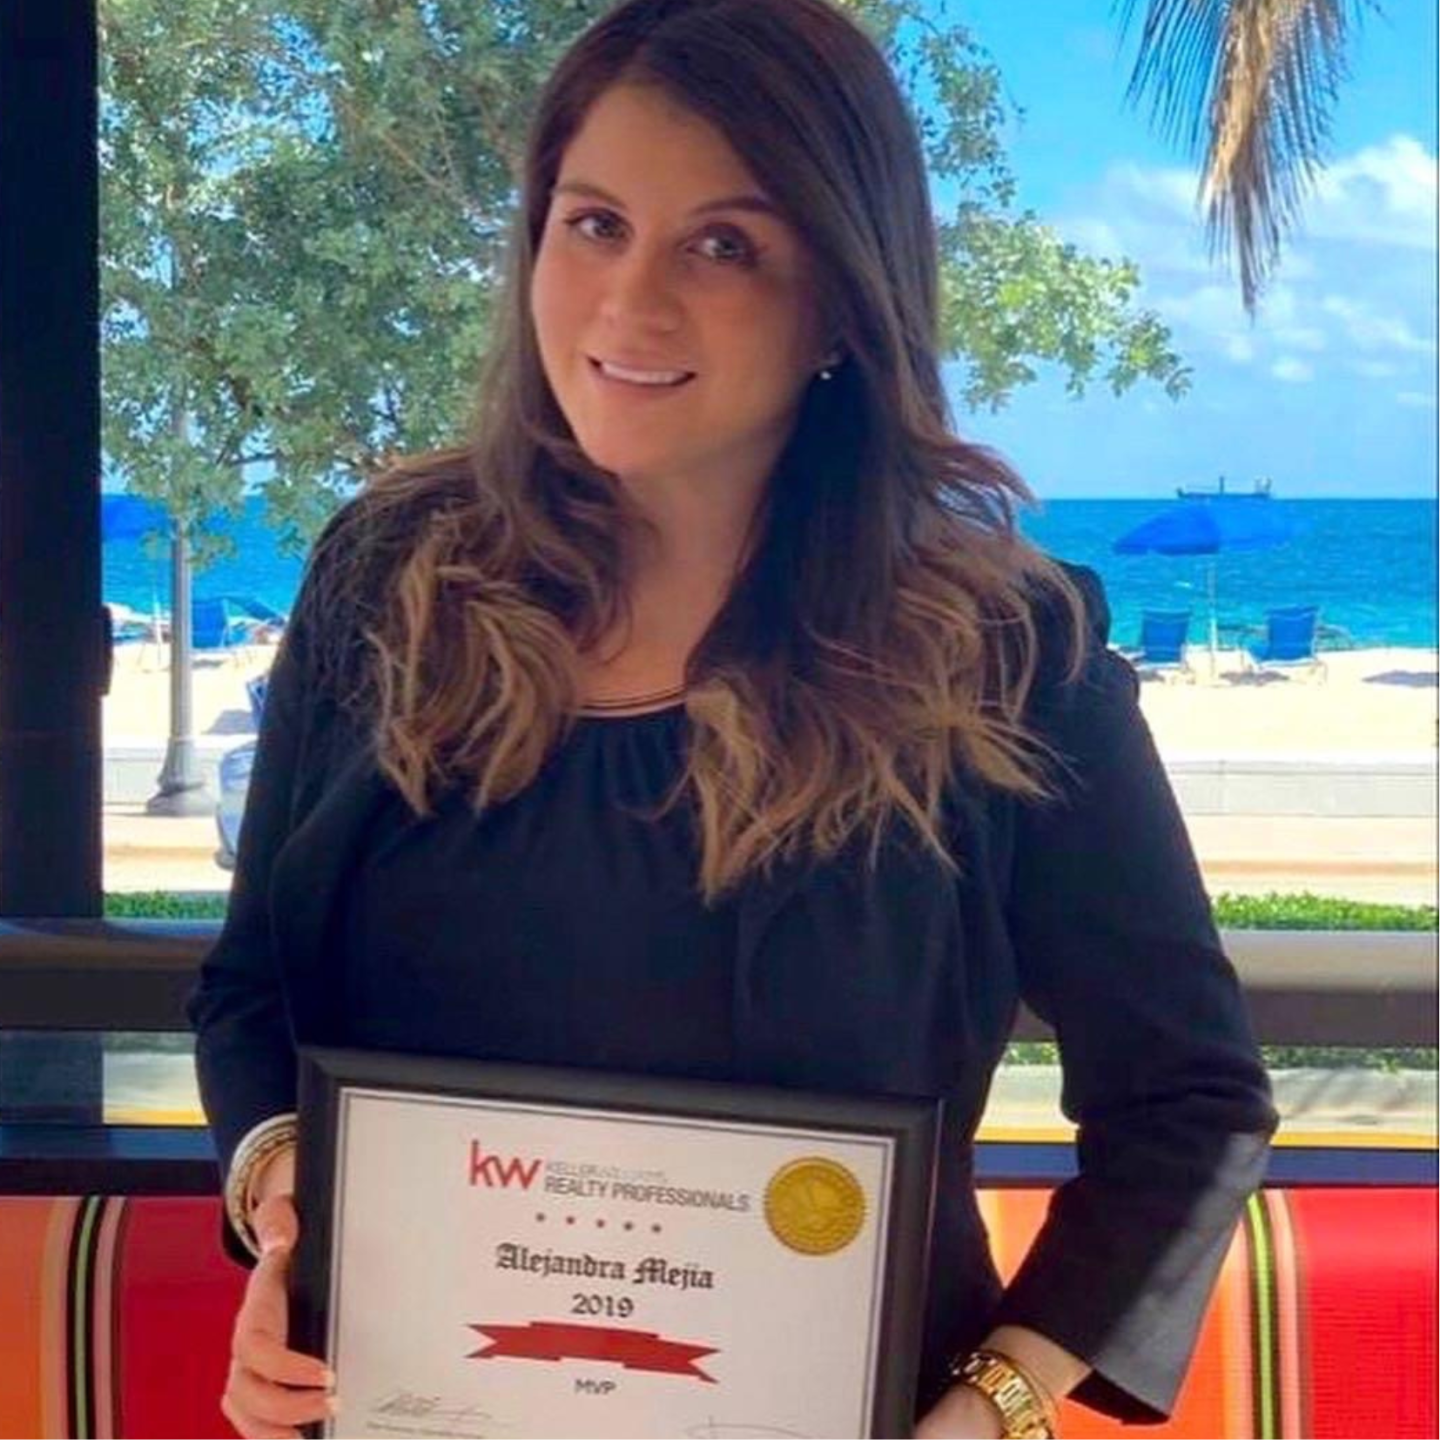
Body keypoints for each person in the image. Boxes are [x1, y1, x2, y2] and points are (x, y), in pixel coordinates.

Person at [187, 1, 1278, 1436]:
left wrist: (994, 1406)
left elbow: (1188, 1103)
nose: (629, 304)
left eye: (723, 246)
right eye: (594, 224)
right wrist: (283, 1199)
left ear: (841, 297)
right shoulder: (387, 579)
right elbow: (254, 989)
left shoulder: (1005, 653)